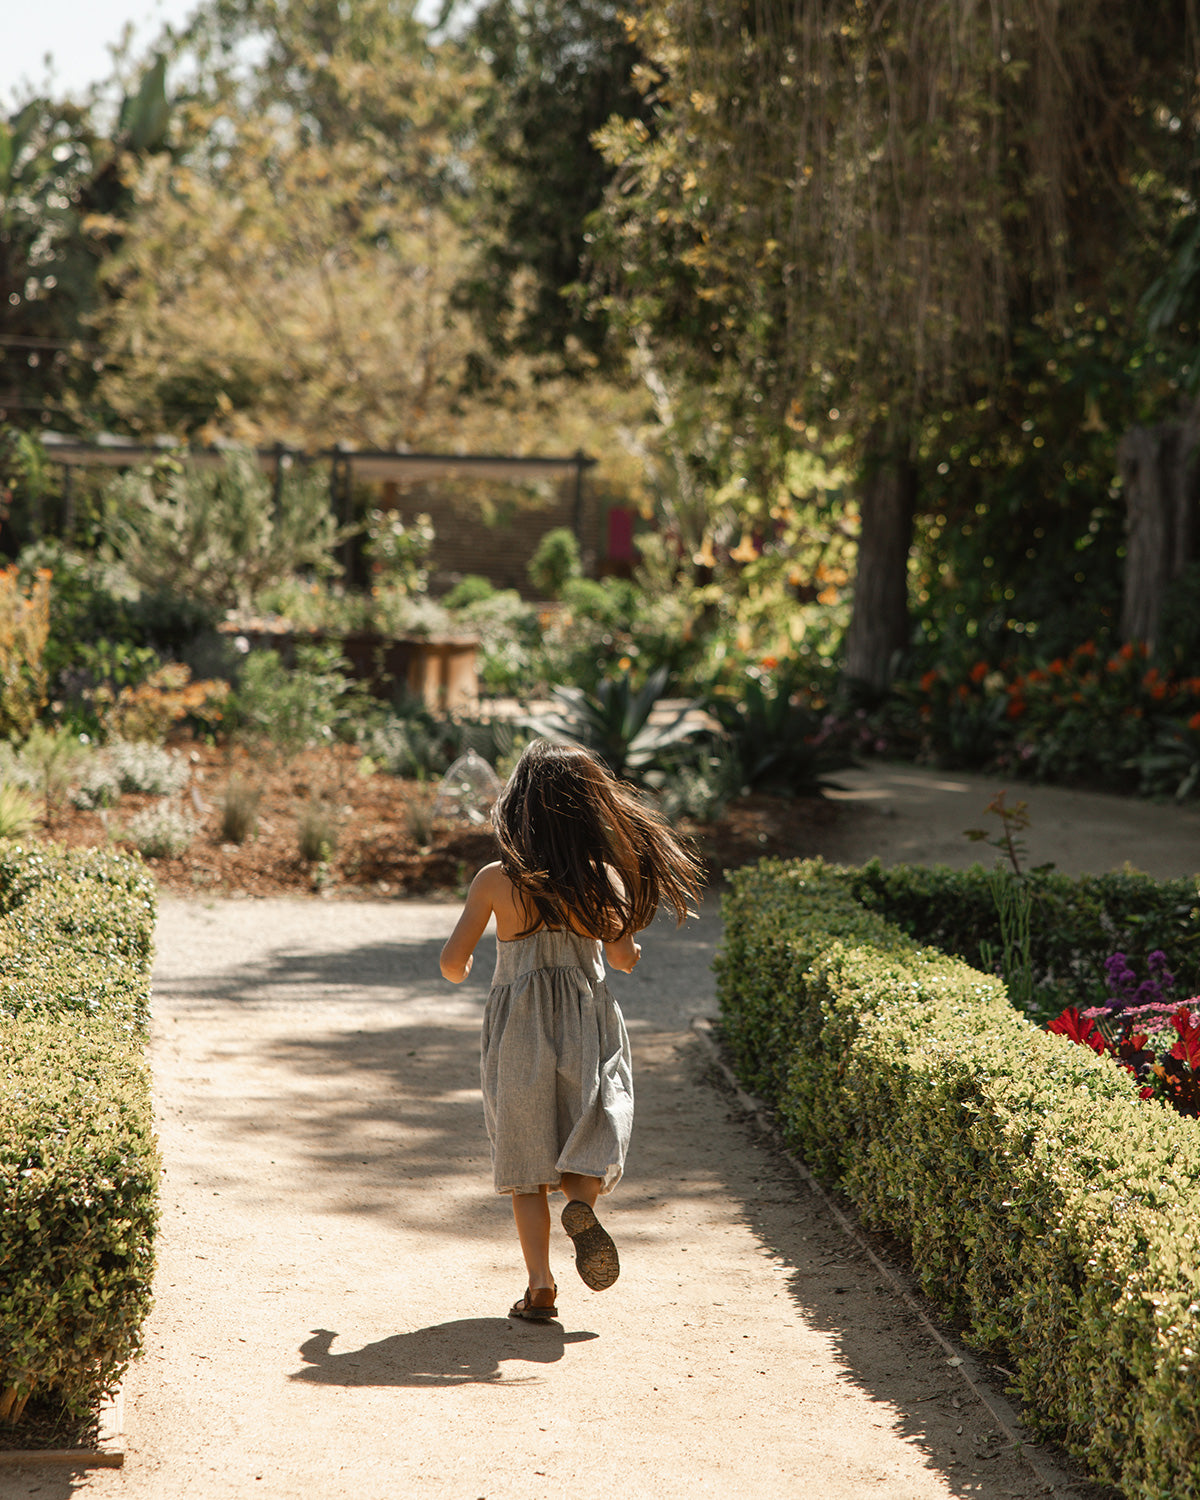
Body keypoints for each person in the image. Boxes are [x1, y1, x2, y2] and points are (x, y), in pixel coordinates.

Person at [439, 738, 702, 1322]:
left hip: (518, 1031)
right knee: (595, 1120)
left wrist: (468, 968)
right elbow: (624, 957)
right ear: (586, 811)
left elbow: (451, 962)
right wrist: (628, 947)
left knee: (525, 1158)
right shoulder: (599, 879)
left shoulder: (493, 880)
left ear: (518, 808)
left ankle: (539, 1287)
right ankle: (580, 1205)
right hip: (587, 1019)